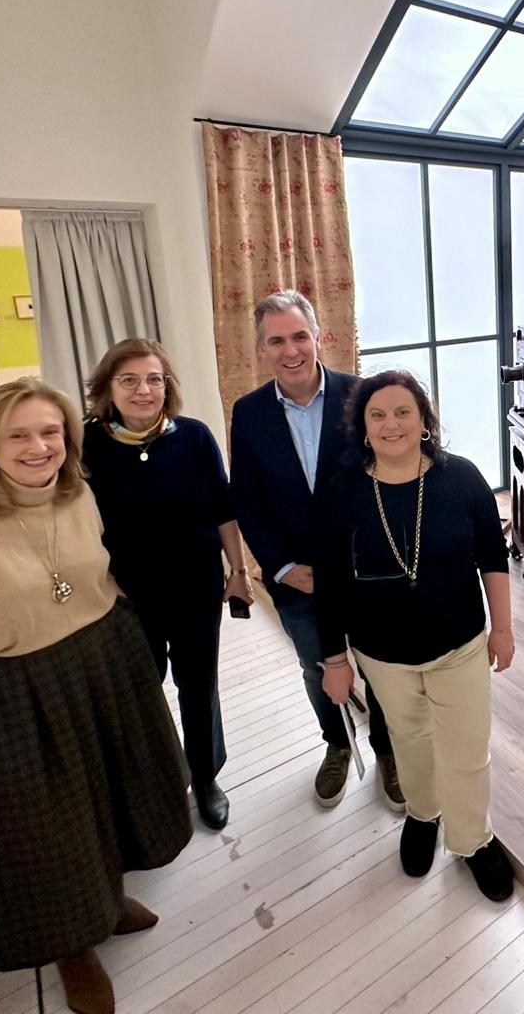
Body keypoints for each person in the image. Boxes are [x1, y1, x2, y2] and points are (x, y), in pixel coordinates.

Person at [0, 378, 190, 1014]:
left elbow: (96, 572)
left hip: (102, 659)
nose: (39, 447)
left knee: (110, 792)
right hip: (13, 686)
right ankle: (72, 948)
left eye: (51, 432)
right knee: (45, 827)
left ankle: (107, 900)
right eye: (19, 435)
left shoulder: (77, 491)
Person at [317, 370, 517, 902]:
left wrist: (503, 629)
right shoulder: (342, 493)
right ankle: (424, 816)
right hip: (381, 654)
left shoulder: (462, 478)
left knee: (467, 749)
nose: (392, 424)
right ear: (362, 428)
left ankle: (473, 840)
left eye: (403, 412)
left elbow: (493, 558)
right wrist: (334, 660)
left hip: (460, 645)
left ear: (424, 420)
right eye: (378, 415)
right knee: (409, 741)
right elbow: (330, 585)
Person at [229, 291, 404, 811]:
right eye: (276, 341)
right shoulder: (248, 413)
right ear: (261, 349)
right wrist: (282, 568)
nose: (291, 351)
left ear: (319, 337)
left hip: (366, 571)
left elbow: (387, 478)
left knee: (379, 666)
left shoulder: (360, 397)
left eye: (299, 336)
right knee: (316, 668)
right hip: (297, 578)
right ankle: (337, 744)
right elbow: (248, 501)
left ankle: (388, 750)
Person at [81, 338, 252, 833]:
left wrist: (239, 573)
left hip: (196, 586)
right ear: (108, 388)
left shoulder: (194, 437)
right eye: (129, 380)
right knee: (141, 688)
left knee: (198, 685)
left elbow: (222, 510)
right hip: (127, 595)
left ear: (167, 386)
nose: (144, 390)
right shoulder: (86, 444)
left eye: (154, 379)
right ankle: (153, 779)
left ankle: (205, 776)